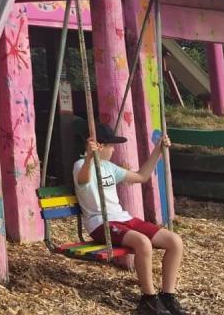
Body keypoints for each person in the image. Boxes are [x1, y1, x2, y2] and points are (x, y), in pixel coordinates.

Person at [74, 123, 186, 315]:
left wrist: (157, 150)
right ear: (99, 146)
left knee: (175, 241)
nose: (114, 149)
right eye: (110, 145)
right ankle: (148, 300)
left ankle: (168, 295)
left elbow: (142, 176)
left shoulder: (110, 167)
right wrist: (89, 159)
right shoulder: (81, 165)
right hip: (101, 222)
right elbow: (83, 180)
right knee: (142, 243)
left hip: (123, 218)